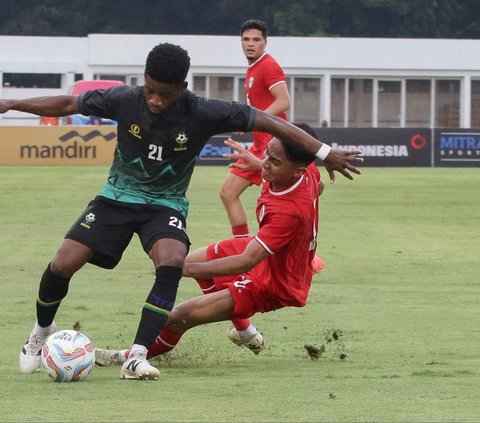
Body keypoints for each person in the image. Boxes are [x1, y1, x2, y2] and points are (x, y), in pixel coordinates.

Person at [0, 43, 362, 381]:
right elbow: (67, 104)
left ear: (183, 87)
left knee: (174, 261)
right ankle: (39, 335)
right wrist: (11, 105)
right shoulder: (125, 99)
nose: (155, 100)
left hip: (166, 204)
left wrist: (326, 153)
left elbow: (273, 122)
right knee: (63, 263)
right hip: (117, 197)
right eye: (150, 90)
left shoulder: (204, 111)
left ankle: (138, 354)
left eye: (166, 94)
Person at [94, 124, 327, 366]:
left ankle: (127, 356)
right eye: (266, 153)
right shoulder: (306, 172)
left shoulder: (288, 213)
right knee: (190, 260)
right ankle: (245, 331)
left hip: (274, 282)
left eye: (274, 162)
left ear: (298, 172)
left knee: (179, 316)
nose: (265, 162)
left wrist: (182, 271)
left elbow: (246, 261)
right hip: (266, 251)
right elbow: (317, 187)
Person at [219, 19, 290, 239]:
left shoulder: (268, 65)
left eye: (256, 40)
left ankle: (261, 251)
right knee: (228, 193)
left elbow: (284, 101)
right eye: (246, 39)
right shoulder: (252, 68)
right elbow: (261, 106)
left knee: (273, 205)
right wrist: (247, 122)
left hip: (274, 146)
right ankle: (243, 247)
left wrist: (255, 120)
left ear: (265, 43)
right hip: (262, 145)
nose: (250, 44)